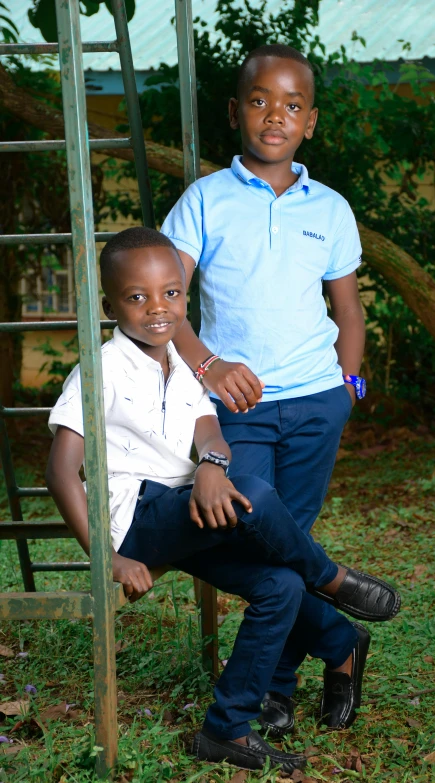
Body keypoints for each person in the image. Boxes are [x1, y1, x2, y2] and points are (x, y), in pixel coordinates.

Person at [45, 228, 399, 773]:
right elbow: (60, 471)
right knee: (256, 494)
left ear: (185, 299)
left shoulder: (178, 363)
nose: (157, 308)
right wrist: (108, 558)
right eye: (137, 297)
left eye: (171, 294)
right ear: (110, 303)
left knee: (278, 585)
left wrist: (212, 464)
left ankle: (226, 729)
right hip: (136, 516)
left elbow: (208, 428)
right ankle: (328, 577)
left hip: (182, 511)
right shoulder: (102, 371)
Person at [161, 43, 370, 737]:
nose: (273, 115)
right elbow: (166, 306)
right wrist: (209, 365)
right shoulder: (205, 200)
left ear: (309, 120)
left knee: (290, 540)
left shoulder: (331, 209)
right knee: (256, 537)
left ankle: (277, 689)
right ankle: (340, 638)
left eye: (290, 104)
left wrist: (349, 386)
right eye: (258, 100)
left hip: (316, 402)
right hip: (238, 409)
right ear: (235, 112)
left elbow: (348, 310)